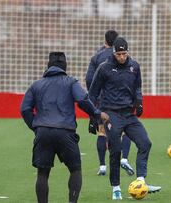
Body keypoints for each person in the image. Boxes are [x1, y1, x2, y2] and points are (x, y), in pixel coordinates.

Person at [20, 52, 109, 203]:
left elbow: (24, 109)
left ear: (48, 66)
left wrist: (35, 126)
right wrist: (97, 113)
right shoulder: (70, 82)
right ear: (65, 66)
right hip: (65, 132)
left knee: (42, 173)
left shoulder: (36, 84)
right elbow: (82, 99)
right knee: (75, 170)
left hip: (43, 131)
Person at [89, 37, 161, 200]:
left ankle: (141, 181)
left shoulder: (134, 67)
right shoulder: (104, 68)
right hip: (111, 114)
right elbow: (93, 93)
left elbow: (137, 87)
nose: (122, 57)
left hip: (129, 114)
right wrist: (93, 117)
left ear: (128, 52)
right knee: (115, 150)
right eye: (119, 54)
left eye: (124, 53)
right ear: (114, 53)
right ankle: (116, 188)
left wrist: (139, 102)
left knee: (145, 143)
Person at [85, 30, 134, 176]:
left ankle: (102, 166)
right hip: (123, 101)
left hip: (103, 102)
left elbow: (89, 80)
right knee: (125, 130)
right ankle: (124, 159)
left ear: (105, 41)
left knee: (102, 131)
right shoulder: (125, 57)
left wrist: (95, 99)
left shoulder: (97, 57)